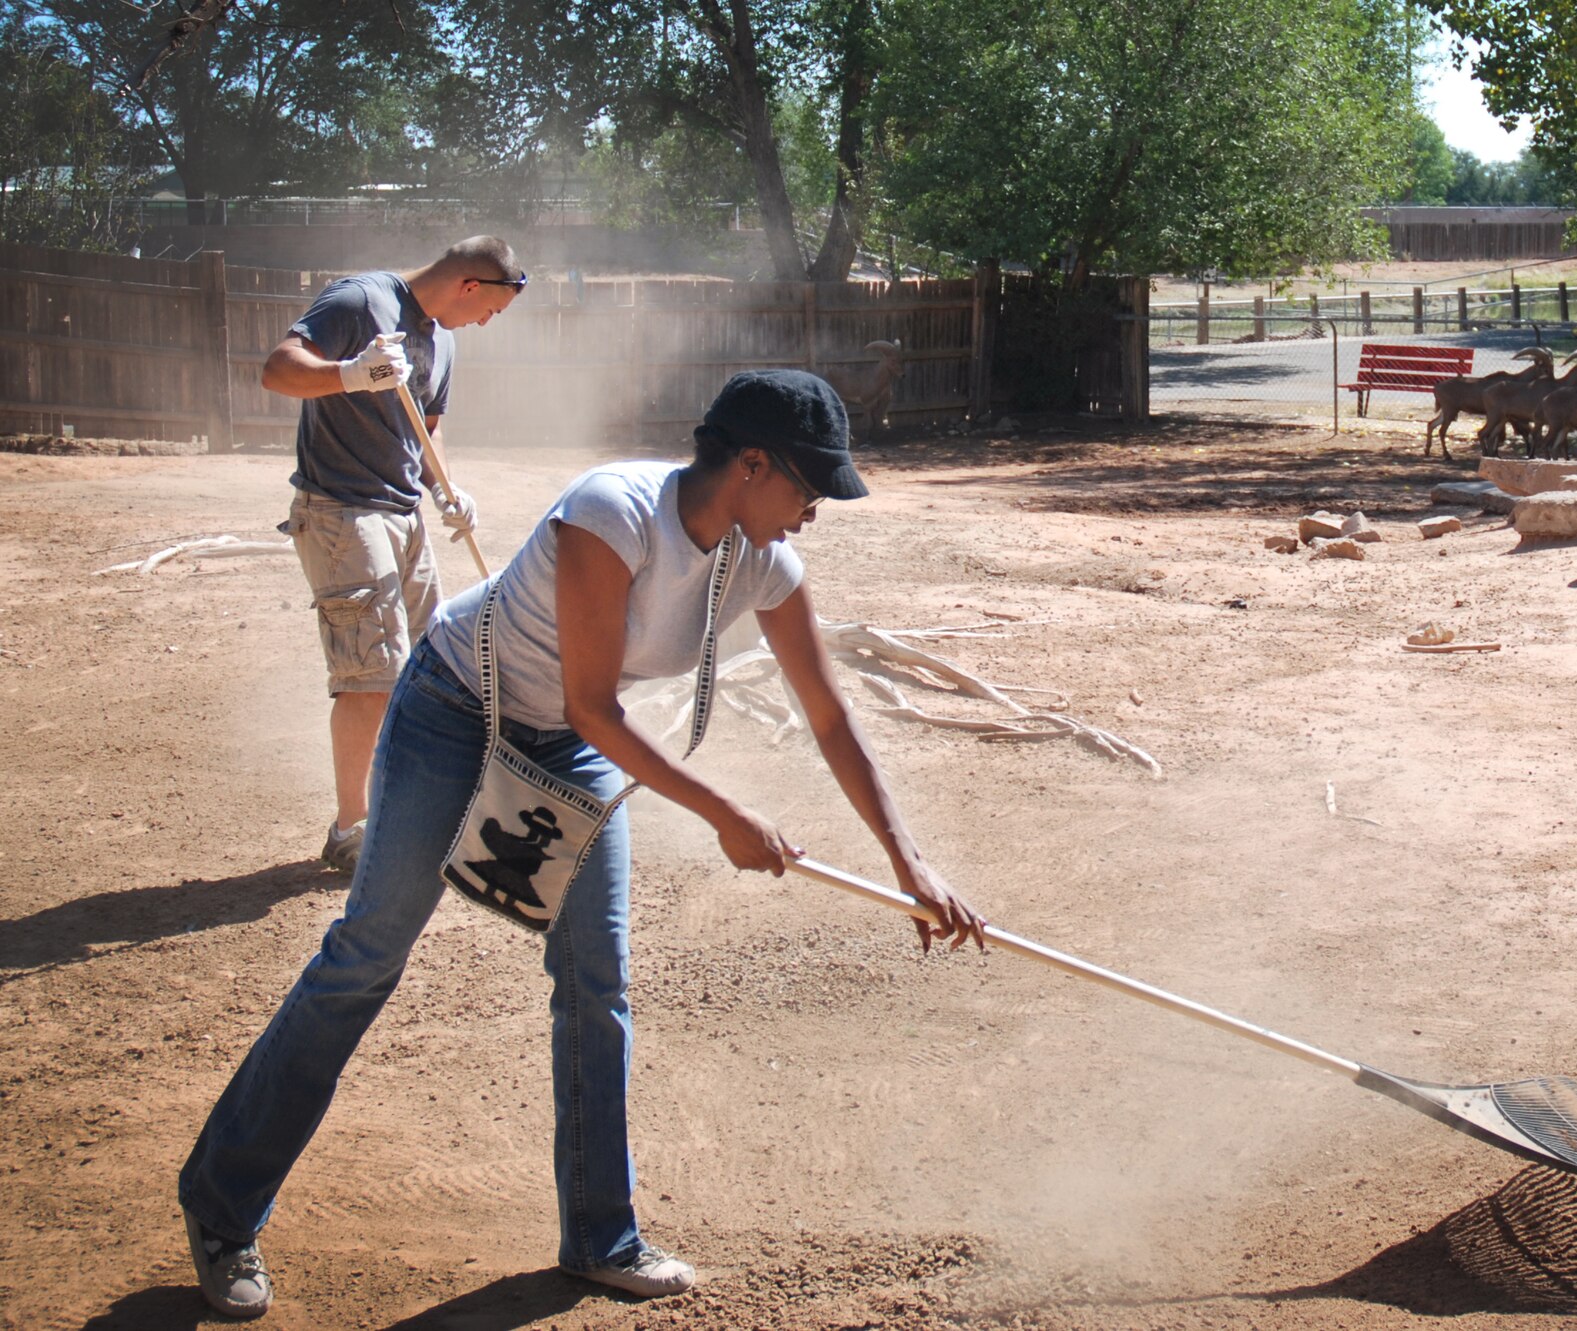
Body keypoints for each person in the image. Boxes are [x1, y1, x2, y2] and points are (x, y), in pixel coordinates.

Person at [177, 369, 987, 1320]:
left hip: (565, 747)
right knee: (368, 953)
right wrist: (723, 812)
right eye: (809, 488)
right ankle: (223, 1207)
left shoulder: (762, 563)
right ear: (751, 463)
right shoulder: (614, 511)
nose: (814, 513)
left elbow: (830, 717)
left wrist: (910, 861)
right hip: (452, 709)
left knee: (596, 982)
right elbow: (594, 705)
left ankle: (600, 1235)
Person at [264, 235, 526, 874]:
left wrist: (445, 490)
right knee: (373, 675)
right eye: (491, 309)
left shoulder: (442, 340)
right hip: (342, 511)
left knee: (426, 667)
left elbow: (426, 432)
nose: (488, 322)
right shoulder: (361, 301)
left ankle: (408, 806)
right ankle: (351, 829)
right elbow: (278, 369)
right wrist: (348, 375)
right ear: (470, 285)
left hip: (404, 515)